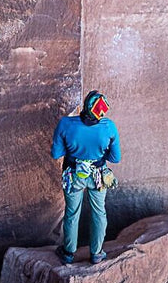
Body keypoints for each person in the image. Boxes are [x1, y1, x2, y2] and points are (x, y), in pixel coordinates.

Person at [51, 90, 121, 265]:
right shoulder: (109, 127)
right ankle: (97, 253)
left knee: (72, 212)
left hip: (73, 174)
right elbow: (115, 158)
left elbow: (56, 153)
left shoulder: (66, 124)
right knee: (99, 212)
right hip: (98, 175)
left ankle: (68, 252)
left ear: (85, 106)